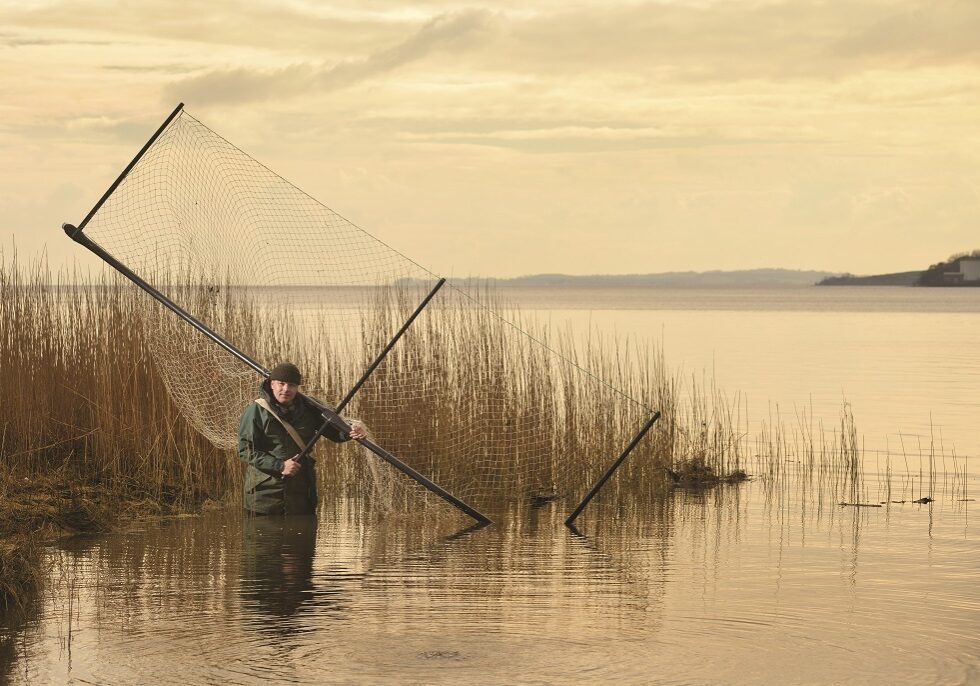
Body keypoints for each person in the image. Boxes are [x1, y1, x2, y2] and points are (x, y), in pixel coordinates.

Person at [238, 362, 366, 515]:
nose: (286, 389)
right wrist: (280, 466)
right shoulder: (256, 411)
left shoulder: (309, 409)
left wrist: (350, 432)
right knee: (265, 538)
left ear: (297, 387)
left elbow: (335, 433)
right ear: (272, 384)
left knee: (303, 536)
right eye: (281, 384)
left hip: (302, 495)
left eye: (291, 385)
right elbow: (246, 450)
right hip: (264, 499)